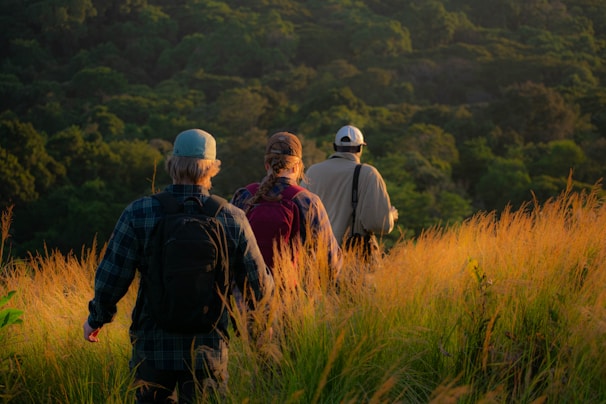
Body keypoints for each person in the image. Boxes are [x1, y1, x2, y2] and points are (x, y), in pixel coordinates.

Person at [83, 128, 274, 403]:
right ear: (213, 169)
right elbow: (258, 285)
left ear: (172, 164)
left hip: (152, 347)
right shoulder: (232, 218)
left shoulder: (140, 212)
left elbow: (112, 275)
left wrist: (96, 318)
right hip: (208, 348)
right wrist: (260, 328)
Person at [231, 131, 342, 281]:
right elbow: (331, 261)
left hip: (244, 295)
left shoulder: (244, 195)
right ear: (296, 167)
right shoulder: (307, 202)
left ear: (266, 165)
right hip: (289, 296)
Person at [302, 125, 398, 261]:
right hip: (351, 261)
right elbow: (379, 224)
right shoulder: (368, 174)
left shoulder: (313, 172)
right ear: (360, 148)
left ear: (335, 147)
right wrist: (390, 216)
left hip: (317, 259)